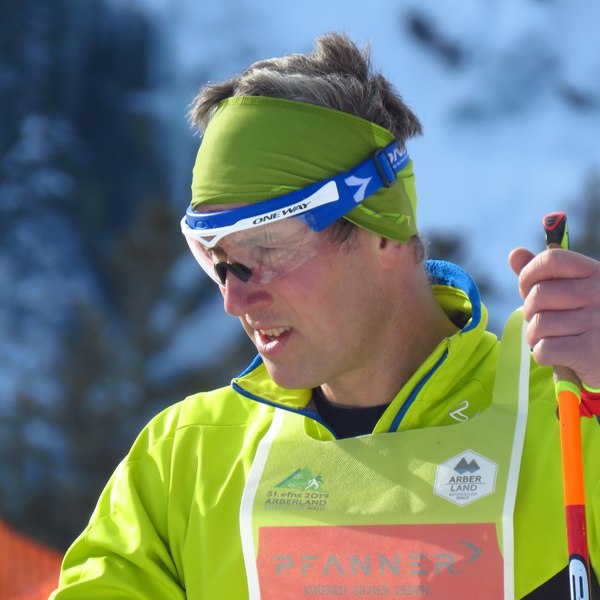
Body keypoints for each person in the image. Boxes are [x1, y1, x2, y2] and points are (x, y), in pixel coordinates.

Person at [51, 32, 600, 599]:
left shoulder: (571, 423)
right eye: (217, 259)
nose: (234, 299)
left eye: (266, 249)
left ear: (381, 232)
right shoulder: (186, 463)